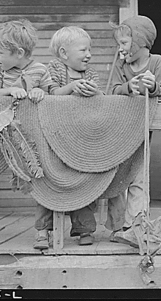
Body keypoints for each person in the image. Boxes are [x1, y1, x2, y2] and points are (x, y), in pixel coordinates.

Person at [33, 26, 103, 249]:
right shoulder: (53, 69)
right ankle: (43, 230)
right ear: (64, 53)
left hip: (79, 137)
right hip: (54, 136)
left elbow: (101, 99)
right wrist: (72, 87)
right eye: (83, 49)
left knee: (82, 181)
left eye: (89, 49)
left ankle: (84, 228)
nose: (89, 54)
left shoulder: (90, 74)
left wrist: (95, 93)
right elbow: (52, 94)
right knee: (48, 181)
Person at [108, 15, 161, 240]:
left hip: (142, 130)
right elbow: (111, 91)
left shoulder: (156, 62)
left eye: (124, 43)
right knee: (118, 177)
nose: (120, 49)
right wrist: (126, 87)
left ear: (141, 41)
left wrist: (152, 87)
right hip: (119, 130)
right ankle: (118, 226)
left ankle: (137, 224)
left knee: (140, 177)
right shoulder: (120, 65)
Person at [0, 18, 57, 102]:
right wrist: (10, 90)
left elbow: (48, 95)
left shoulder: (40, 70)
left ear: (19, 53)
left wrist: (39, 91)